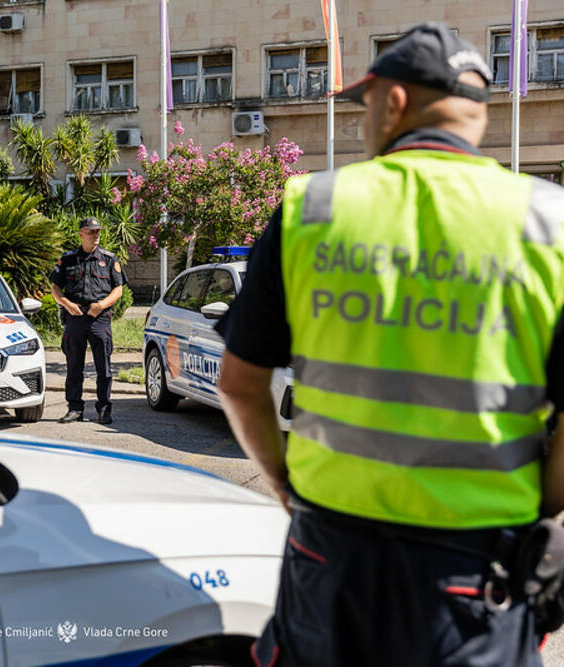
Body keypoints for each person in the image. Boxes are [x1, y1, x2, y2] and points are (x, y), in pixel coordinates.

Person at [214, 23, 564, 667]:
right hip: (478, 565)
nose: (363, 120)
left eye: (365, 103)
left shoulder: (313, 208)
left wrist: (287, 486)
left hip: (331, 552)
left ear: (395, 101)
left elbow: (238, 384)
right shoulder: (550, 223)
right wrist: (542, 507)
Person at [51, 217, 128, 424]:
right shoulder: (67, 259)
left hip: (99, 318)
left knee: (103, 366)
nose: (95, 235)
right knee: (74, 365)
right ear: (81, 234)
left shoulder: (109, 259)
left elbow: (118, 289)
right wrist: (67, 305)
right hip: (75, 317)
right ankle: (75, 408)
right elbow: (55, 288)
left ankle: (104, 409)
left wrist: (101, 305)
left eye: (97, 232)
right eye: (91, 231)